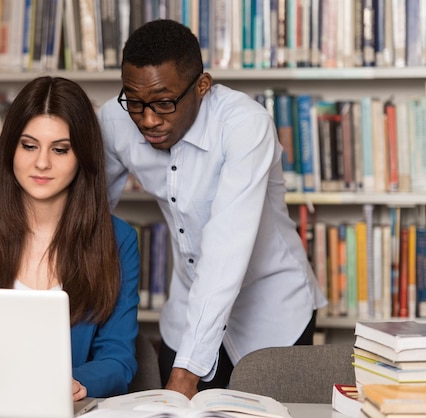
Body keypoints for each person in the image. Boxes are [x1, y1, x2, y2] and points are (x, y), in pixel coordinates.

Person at [97, 19, 327, 399]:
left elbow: (226, 248)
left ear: (202, 87)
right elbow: (87, 212)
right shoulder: (116, 120)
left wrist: (187, 373)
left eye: (163, 102)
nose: (148, 119)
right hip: (188, 306)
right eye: (135, 102)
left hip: (271, 311)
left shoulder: (245, 126)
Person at [0, 76, 140, 400]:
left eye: (60, 150)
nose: (42, 162)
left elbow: (118, 358)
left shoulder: (118, 240)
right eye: (29, 146)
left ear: (82, 156)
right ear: (10, 148)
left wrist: (72, 382)